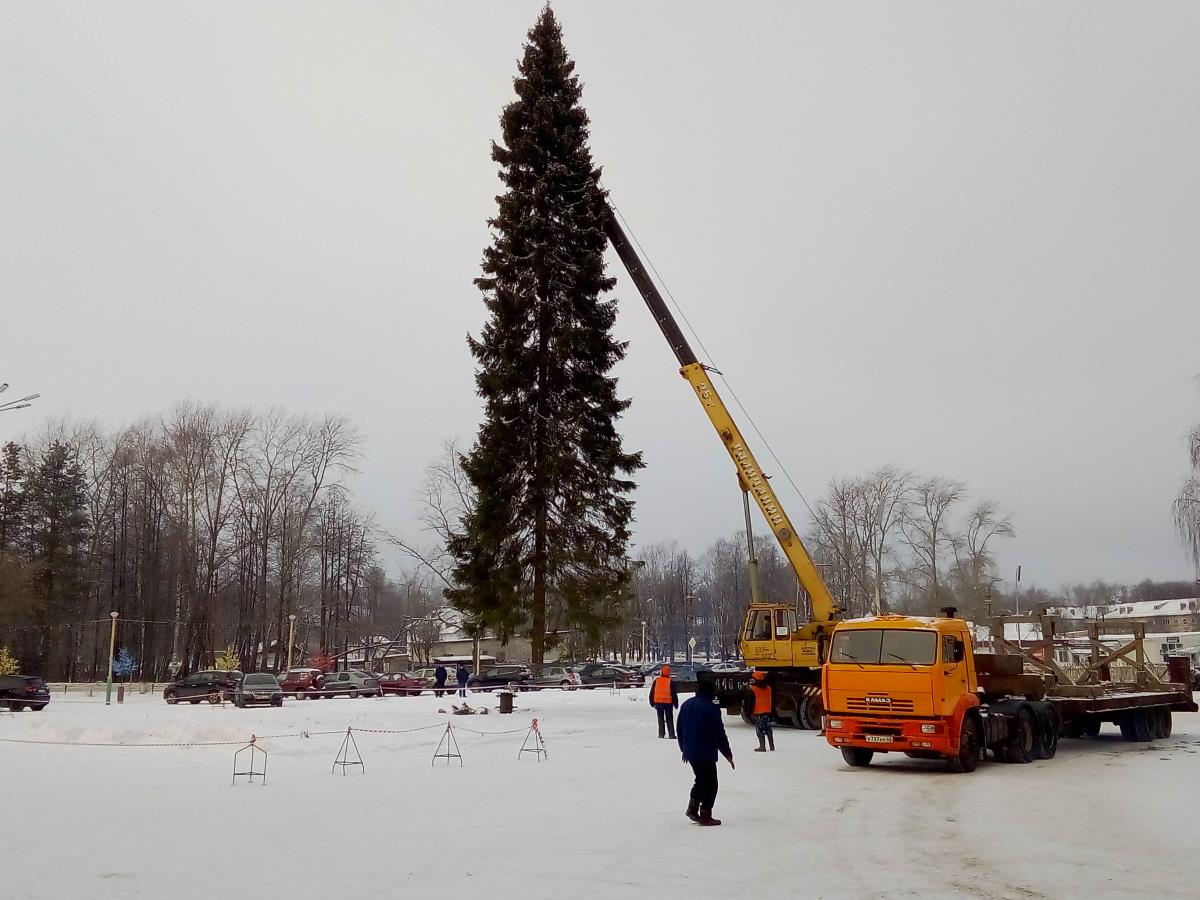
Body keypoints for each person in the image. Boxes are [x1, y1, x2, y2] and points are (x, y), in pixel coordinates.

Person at [677, 679, 734, 826]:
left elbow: (679, 728)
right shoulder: (711, 707)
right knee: (711, 783)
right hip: (705, 751)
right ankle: (705, 814)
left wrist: (684, 749)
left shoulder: (687, 704)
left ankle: (692, 808)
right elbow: (718, 733)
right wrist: (727, 753)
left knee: (701, 780)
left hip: (691, 751)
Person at [648, 664, 679, 739]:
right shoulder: (670, 681)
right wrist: (676, 704)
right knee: (669, 719)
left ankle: (661, 734)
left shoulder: (657, 681)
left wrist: (652, 702)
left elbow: (652, 692)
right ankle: (671, 734)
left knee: (660, 719)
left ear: (661, 672)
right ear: (668, 673)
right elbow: (674, 694)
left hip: (658, 703)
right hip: (668, 703)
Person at [748, 671, 774, 752]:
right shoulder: (768, 688)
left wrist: (750, 712)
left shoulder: (754, 689)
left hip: (758, 712)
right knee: (768, 728)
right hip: (767, 711)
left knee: (760, 729)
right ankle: (771, 746)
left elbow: (751, 703)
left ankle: (762, 747)